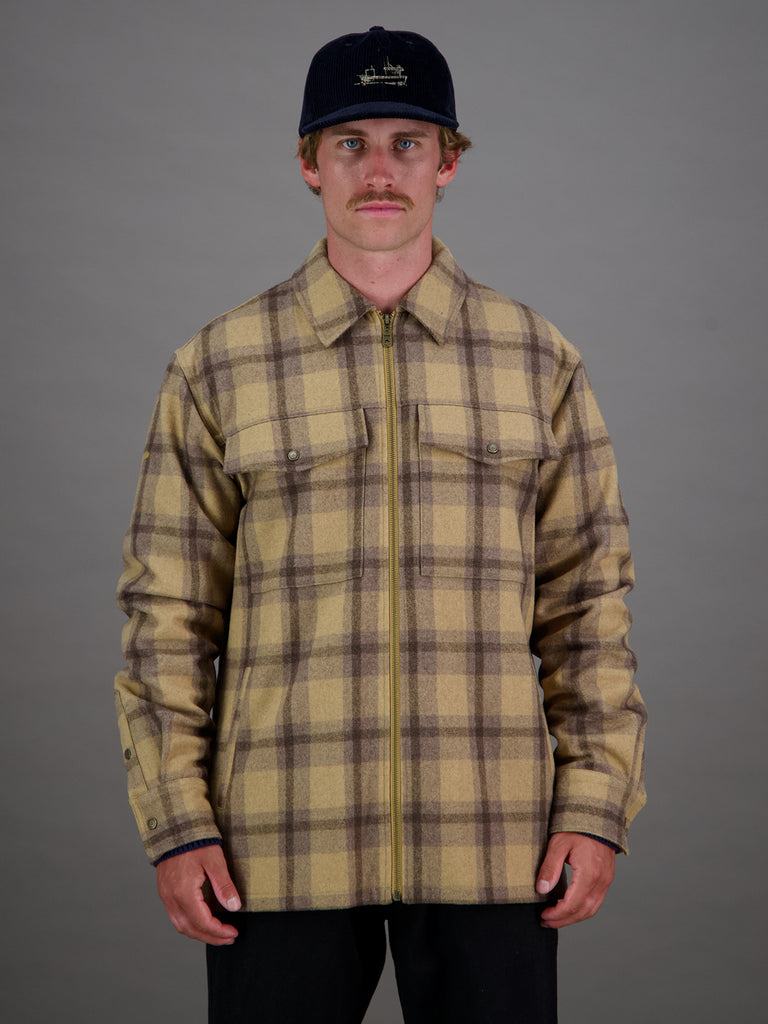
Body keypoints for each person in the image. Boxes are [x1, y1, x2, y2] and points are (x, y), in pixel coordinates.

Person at [115, 26, 646, 1023]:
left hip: (496, 842)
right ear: (308, 163)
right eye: (350, 143)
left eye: (408, 142)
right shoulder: (218, 365)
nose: (380, 171)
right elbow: (167, 619)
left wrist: (595, 803)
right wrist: (177, 823)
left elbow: (589, 606)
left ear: (449, 162)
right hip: (277, 846)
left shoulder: (537, 359)